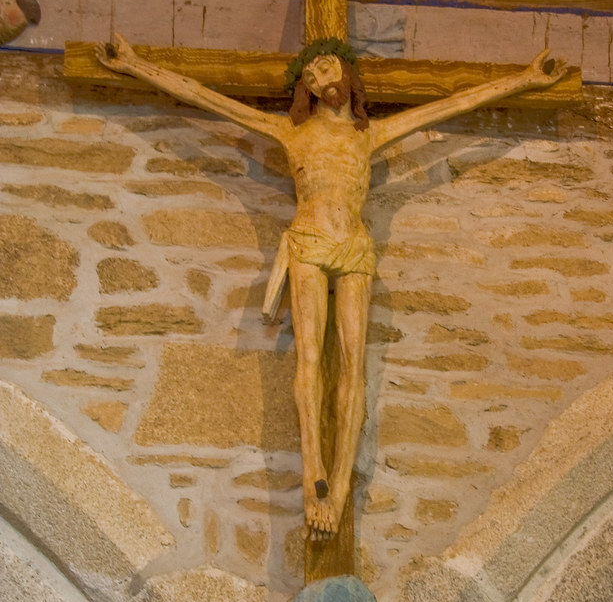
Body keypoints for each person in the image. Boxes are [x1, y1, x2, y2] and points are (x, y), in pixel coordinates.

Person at [96, 34, 565, 541]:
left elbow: (451, 105)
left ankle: (339, 486)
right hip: (309, 243)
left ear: (348, 76)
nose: (324, 82)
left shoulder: (369, 135)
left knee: (353, 368)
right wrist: (138, 66)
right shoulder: (291, 133)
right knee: (311, 362)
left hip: (355, 248)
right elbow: (206, 98)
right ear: (307, 90)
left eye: (329, 70)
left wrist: (526, 79)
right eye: (313, 77)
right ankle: (311, 473)